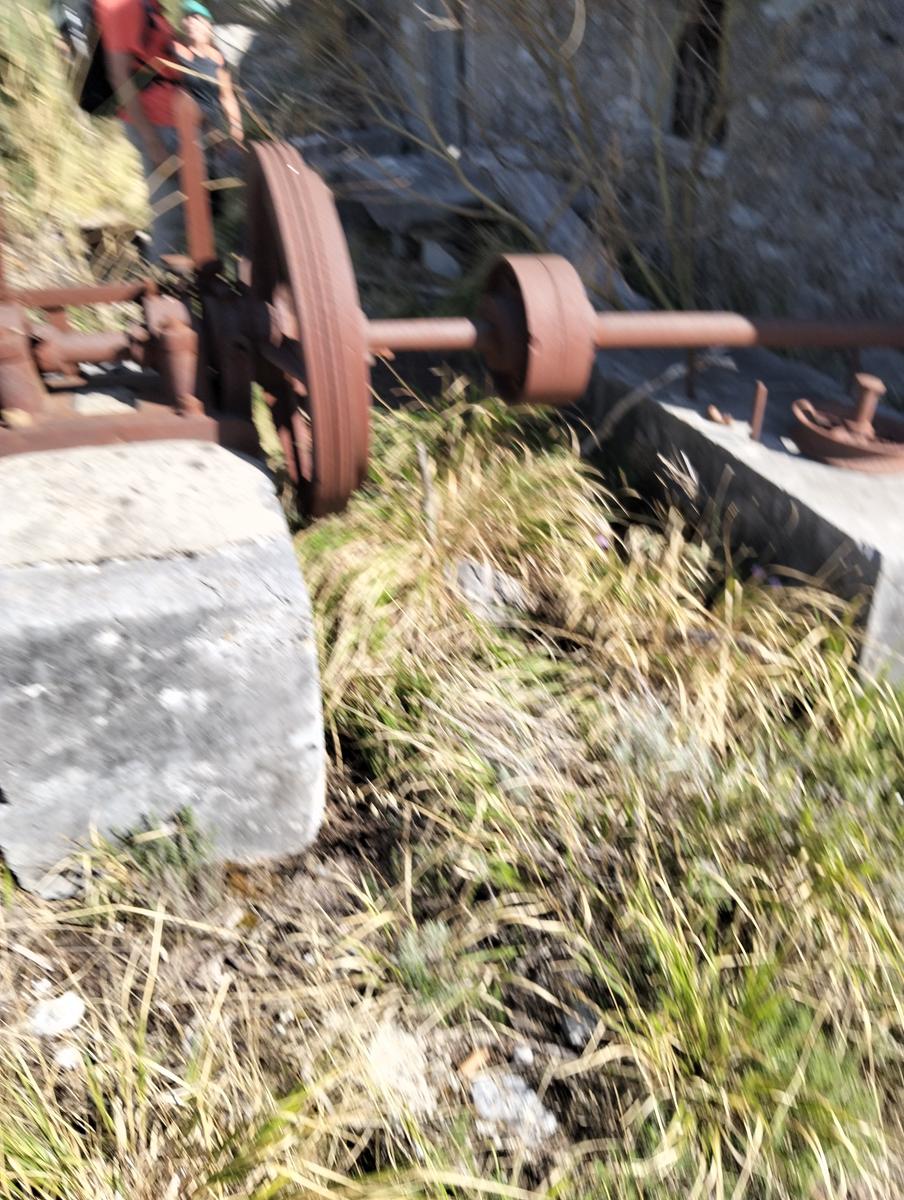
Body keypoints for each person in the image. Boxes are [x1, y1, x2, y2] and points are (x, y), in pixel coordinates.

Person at [95, 0, 185, 263]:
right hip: (155, 122)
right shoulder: (121, 5)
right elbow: (119, 74)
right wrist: (153, 142)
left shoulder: (146, 5)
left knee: (187, 207)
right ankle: (162, 285)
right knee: (170, 215)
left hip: (172, 119)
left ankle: (180, 277)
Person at [174, 0, 244, 197]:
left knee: (213, 188)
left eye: (196, 18)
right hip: (185, 129)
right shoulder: (176, 52)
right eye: (187, 19)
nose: (190, 23)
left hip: (212, 128)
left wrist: (235, 127)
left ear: (208, 26)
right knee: (192, 187)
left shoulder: (217, 59)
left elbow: (227, 96)